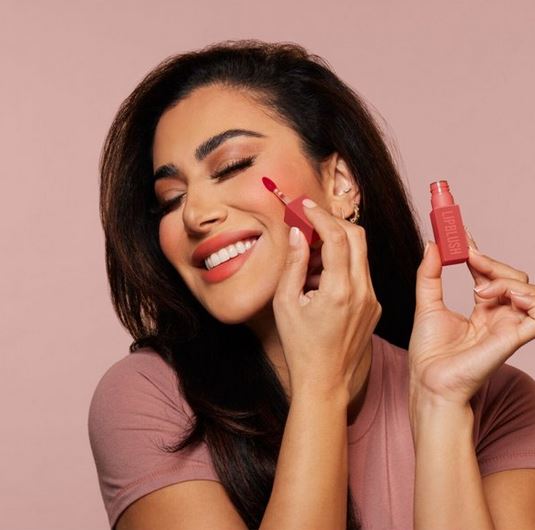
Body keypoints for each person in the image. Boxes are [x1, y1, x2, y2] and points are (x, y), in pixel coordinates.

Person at [88, 39, 535, 530]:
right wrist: (321, 385)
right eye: (171, 198)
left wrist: (441, 406)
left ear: (340, 182)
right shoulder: (148, 399)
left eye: (232, 166)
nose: (194, 214)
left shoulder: (501, 403)